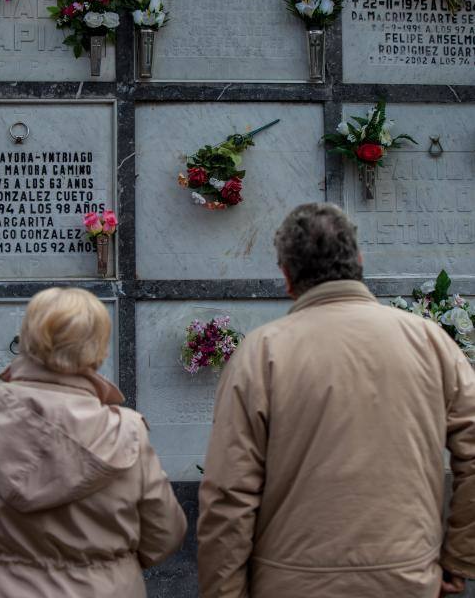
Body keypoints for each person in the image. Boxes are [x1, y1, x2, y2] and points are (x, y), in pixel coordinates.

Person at [197, 202, 475, 598]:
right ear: (359, 261)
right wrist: (459, 558)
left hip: (291, 584)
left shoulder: (261, 354)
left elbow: (228, 495)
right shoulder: (430, 342)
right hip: (407, 579)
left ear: (287, 276)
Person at [0, 287, 186, 598]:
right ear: (99, 348)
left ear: (27, 338)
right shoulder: (127, 433)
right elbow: (164, 534)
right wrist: (111, 566)